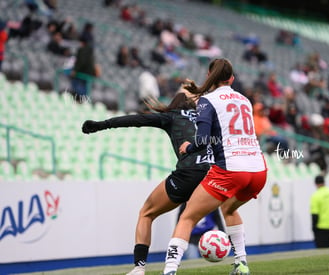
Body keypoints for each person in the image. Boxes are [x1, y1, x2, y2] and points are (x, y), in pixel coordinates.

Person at [81, 91, 213, 275]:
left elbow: (136, 120)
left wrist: (103, 125)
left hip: (188, 173)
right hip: (213, 174)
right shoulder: (205, 118)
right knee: (205, 215)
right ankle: (240, 259)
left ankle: (140, 268)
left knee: (146, 213)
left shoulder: (171, 116)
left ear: (174, 105)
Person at [162, 58, 267, 275]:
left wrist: (188, 147)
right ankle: (241, 264)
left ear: (210, 74)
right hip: (258, 170)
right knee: (229, 208)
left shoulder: (207, 101)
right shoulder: (245, 100)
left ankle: (169, 271)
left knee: (187, 217)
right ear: (232, 78)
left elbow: (201, 140)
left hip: (231, 169)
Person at [310, 175, 329, 248]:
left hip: (322, 227)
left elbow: (315, 214)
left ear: (316, 184)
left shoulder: (316, 195)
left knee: (322, 251)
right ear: (324, 182)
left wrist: (314, 228)